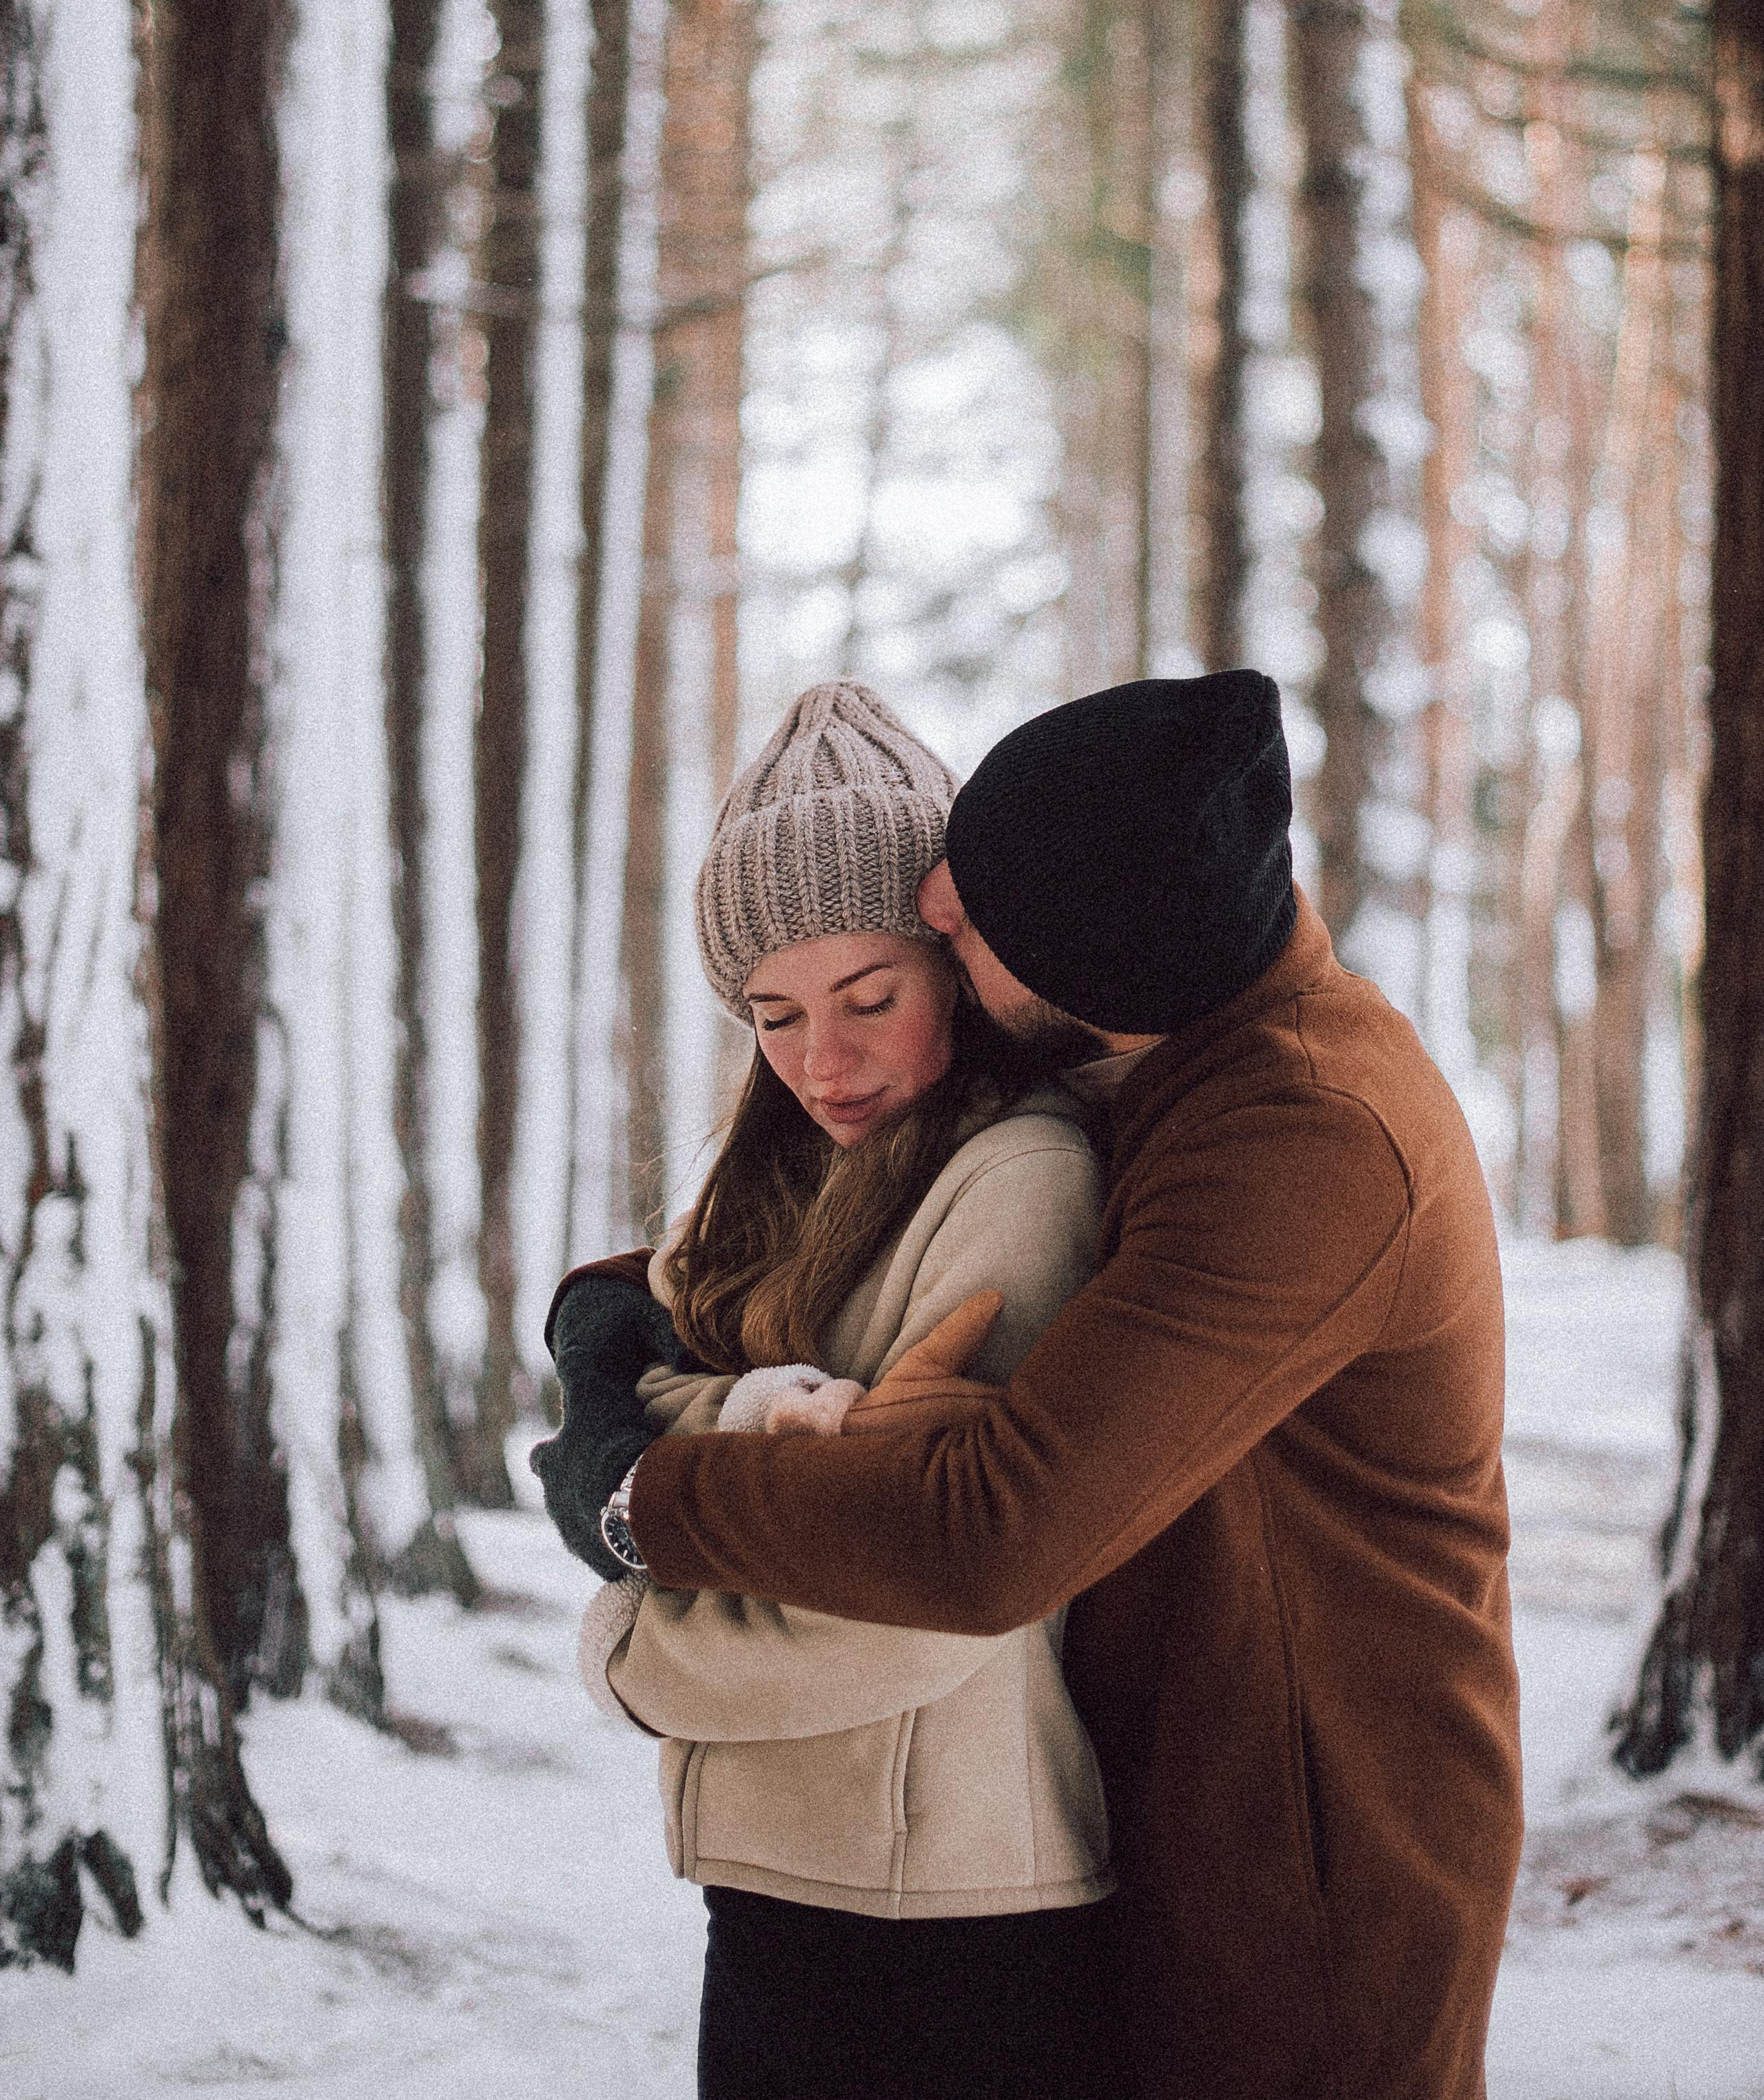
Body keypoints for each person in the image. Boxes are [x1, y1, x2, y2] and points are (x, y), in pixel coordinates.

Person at [540, 670, 1524, 2100]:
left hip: (1303, 1863)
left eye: (964, 919)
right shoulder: (1173, 1052)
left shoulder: (1302, 1134)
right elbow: (810, 1255)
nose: (933, 901)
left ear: (1086, 962)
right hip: (1163, 1806)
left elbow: (984, 1533)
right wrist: (614, 1322)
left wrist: (636, 1491)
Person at [537, 681, 1117, 2100]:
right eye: (773, 1015)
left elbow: (935, 1583)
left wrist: (633, 1652)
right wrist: (741, 1415)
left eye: (869, 999)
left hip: (949, 1913)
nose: (820, 1061)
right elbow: (660, 1362)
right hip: (795, 1877)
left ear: (955, 970)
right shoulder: (791, 1183)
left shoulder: (1021, 1178)